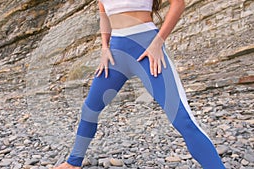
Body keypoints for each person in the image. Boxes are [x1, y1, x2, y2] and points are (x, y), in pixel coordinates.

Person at [53, 0, 226, 168]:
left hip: (149, 51)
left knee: (181, 117)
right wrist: (104, 46)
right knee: (89, 109)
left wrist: (157, 43)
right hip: (115, 54)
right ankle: (74, 162)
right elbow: (104, 14)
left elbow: (178, 3)